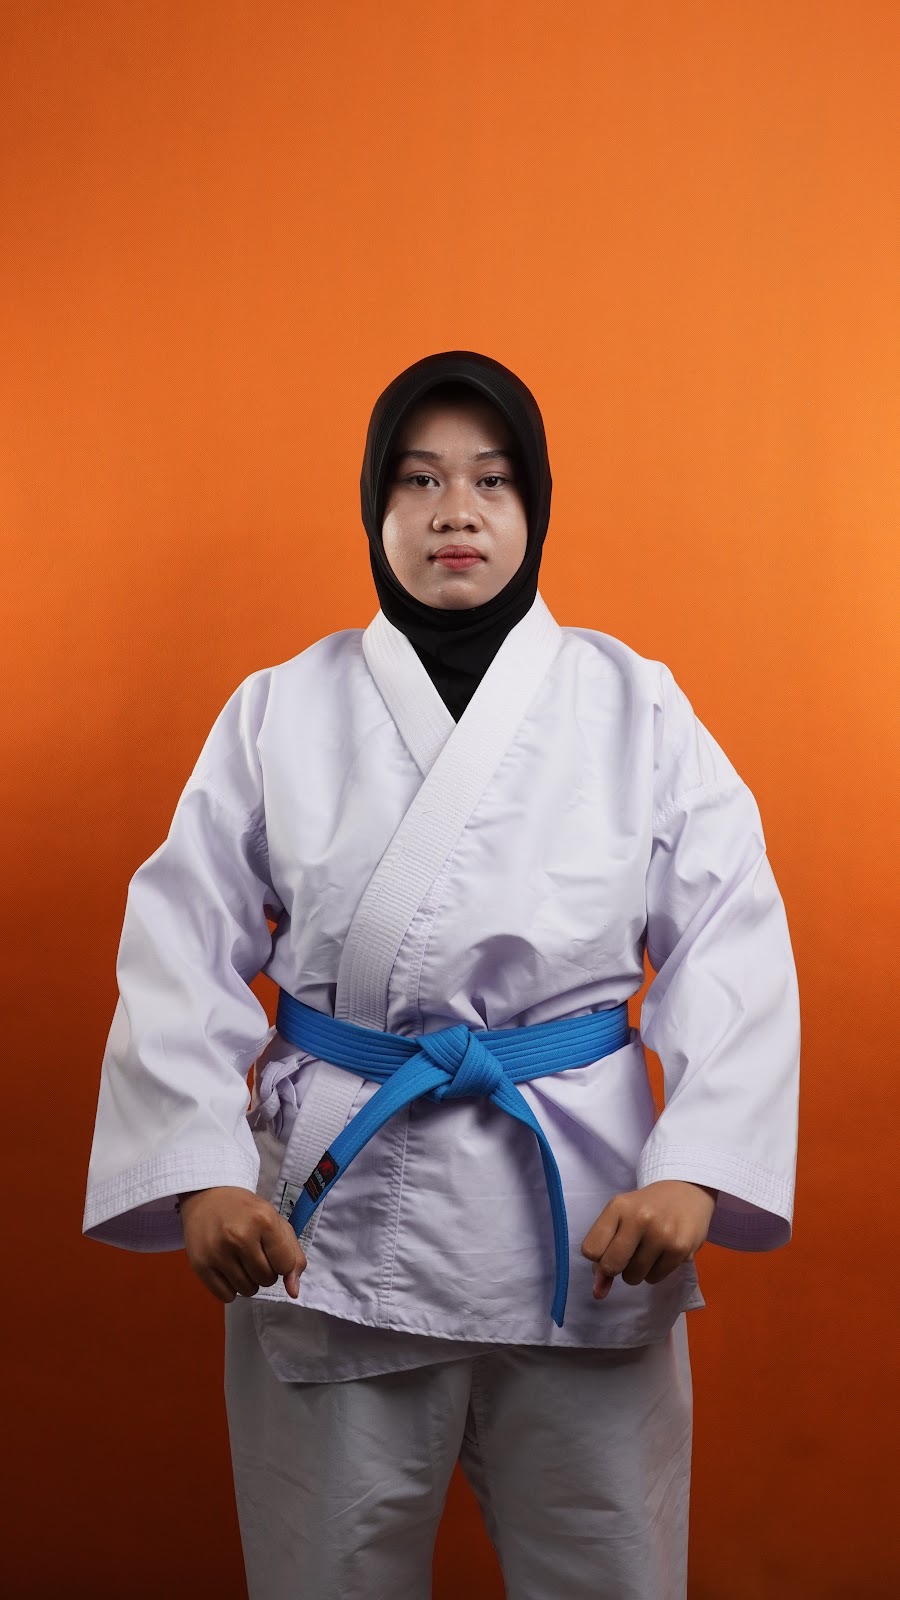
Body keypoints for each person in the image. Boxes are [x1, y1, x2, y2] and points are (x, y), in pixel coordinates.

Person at [83, 350, 801, 1600]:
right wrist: (201, 1173)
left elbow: (733, 935)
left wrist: (694, 1167)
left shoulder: (635, 705)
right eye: (417, 480)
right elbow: (178, 944)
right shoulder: (279, 708)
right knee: (326, 1573)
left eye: (491, 480)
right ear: (375, 509)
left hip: (583, 1211)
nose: (454, 511)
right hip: (334, 1220)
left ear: (536, 506)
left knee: (610, 1572)